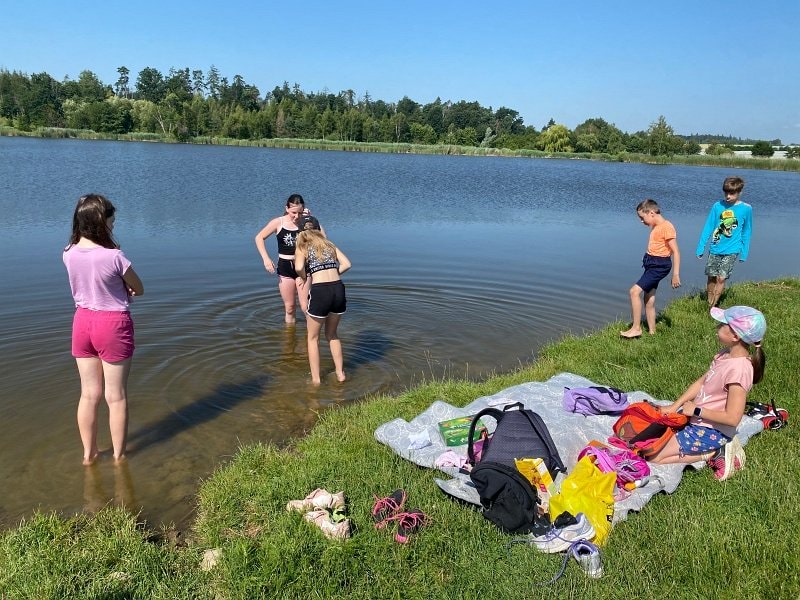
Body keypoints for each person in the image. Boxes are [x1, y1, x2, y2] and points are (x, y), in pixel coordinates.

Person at [62, 194, 144, 465]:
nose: (114, 224)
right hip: (112, 324)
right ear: (101, 222)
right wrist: (127, 287)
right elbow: (139, 288)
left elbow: (90, 278)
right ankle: (119, 458)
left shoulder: (68, 253)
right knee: (115, 396)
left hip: (82, 322)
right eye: (112, 220)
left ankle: (89, 455)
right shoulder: (115, 257)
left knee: (88, 394)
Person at [649, 306, 766, 481]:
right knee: (650, 438)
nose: (717, 327)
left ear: (735, 336)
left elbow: (733, 418)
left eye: (722, 325)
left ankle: (714, 452)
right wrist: (674, 406)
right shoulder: (724, 355)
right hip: (696, 419)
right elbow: (702, 382)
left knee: (653, 457)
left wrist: (697, 410)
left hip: (712, 431)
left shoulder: (739, 371)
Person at [254, 194, 325, 324]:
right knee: (290, 308)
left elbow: (323, 238)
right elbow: (259, 237)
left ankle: (312, 333)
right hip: (285, 267)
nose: (297, 216)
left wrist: (312, 219)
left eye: (300, 213)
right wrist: (266, 259)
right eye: (293, 213)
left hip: (303, 267)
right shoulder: (278, 222)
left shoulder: (306, 223)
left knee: (305, 306)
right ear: (287, 208)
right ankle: (289, 335)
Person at [294, 228, 351, 384]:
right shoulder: (329, 244)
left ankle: (316, 380)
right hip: (338, 288)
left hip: (321, 291)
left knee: (312, 338)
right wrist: (333, 273)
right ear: (318, 230)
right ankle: (340, 374)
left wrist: (304, 277)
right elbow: (347, 264)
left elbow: (298, 267)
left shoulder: (303, 246)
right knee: (332, 334)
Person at [620, 199, 681, 339]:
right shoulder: (655, 225)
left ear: (652, 213)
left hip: (659, 266)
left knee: (634, 292)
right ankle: (652, 332)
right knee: (649, 298)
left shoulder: (666, 227)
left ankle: (636, 328)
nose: (641, 221)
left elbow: (676, 252)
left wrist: (676, 274)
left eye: (642, 217)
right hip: (652, 264)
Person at [696, 176, 752, 308]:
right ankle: (709, 301)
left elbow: (747, 231)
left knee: (721, 278)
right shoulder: (717, 206)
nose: (728, 196)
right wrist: (701, 246)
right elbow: (708, 226)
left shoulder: (746, 209)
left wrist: (744, 252)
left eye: (732, 193)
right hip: (715, 248)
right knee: (711, 277)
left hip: (732, 249)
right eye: (726, 192)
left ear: (739, 192)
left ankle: (713, 306)